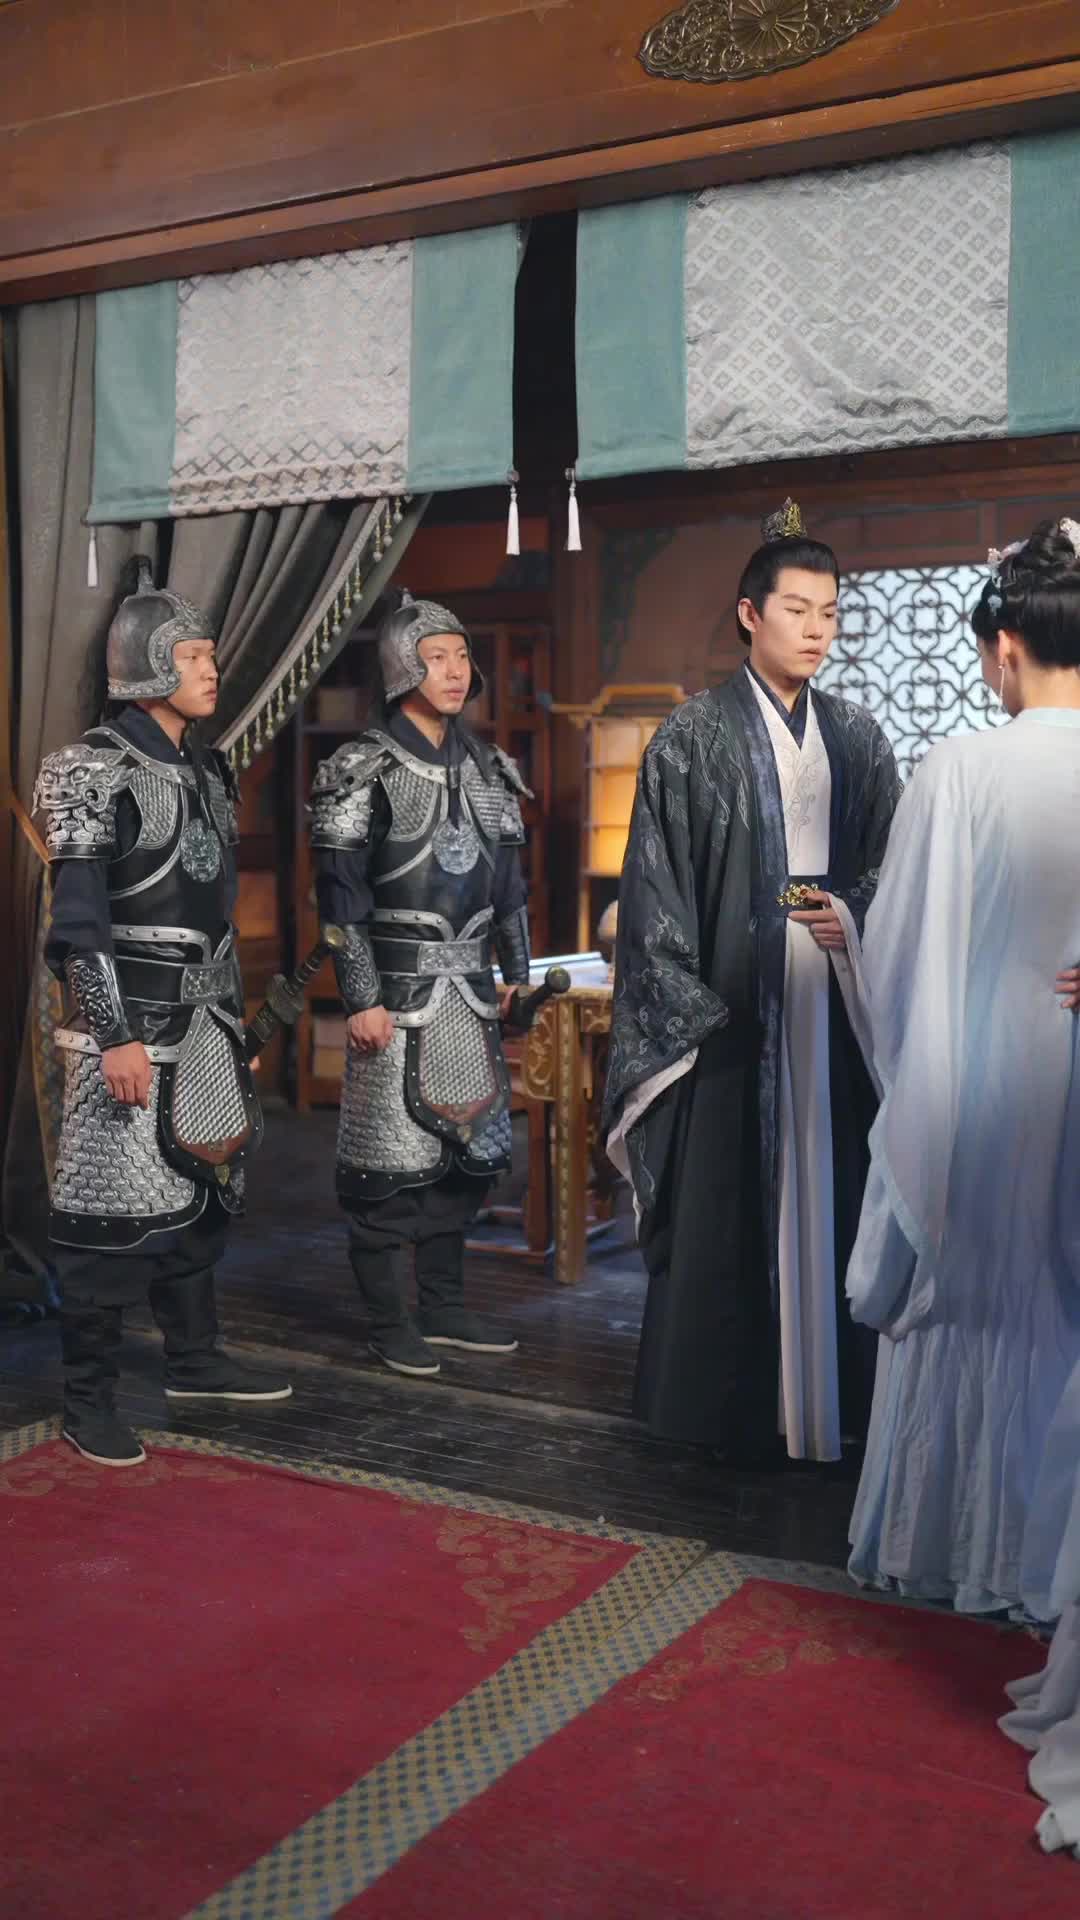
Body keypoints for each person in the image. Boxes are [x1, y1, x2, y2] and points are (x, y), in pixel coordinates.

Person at [604, 501, 901, 1465]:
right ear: (749, 615)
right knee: (732, 1205)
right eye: (798, 611)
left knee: (839, 1186)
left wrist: (851, 914)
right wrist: (694, 1012)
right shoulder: (690, 737)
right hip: (731, 1014)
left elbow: (895, 867)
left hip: (837, 1000)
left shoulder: (858, 736)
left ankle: (839, 1403)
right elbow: (654, 890)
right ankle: (728, 1412)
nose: (817, 631)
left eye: (831, 613)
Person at [847, 516, 1080, 1613]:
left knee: (974, 1302)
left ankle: (958, 1547)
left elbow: (901, 951)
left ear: (1004, 648)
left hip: (981, 1074)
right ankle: (1054, 1566)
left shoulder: (960, 767)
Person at [34, 557, 292, 1468]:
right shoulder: (91, 769)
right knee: (108, 1223)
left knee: (205, 1199)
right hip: (127, 1029)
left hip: (206, 1027)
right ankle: (89, 1402)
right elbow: (80, 925)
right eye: (192, 656)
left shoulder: (208, 768)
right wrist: (113, 1036)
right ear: (147, 666)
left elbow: (213, 919)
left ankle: (195, 1361)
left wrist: (234, 1028)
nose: (211, 670)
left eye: (211, 654)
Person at [310, 591, 530, 1377]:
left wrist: (517, 978)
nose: (454, 671)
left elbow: (509, 889)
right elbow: (341, 899)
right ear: (404, 666)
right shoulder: (362, 768)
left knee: (466, 1161)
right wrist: (361, 996)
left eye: (461, 657)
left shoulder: (489, 768)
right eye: (436, 658)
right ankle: (388, 1321)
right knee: (388, 1170)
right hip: (396, 998)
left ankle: (442, 1307)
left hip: (471, 995)